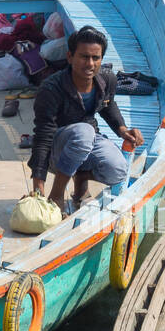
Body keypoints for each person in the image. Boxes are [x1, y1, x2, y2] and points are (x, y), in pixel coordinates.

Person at [27, 25, 142, 213]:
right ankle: (56, 194)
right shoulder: (51, 88)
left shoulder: (107, 79)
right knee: (84, 131)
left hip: (85, 142)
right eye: (84, 56)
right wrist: (37, 190)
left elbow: (107, 104)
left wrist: (122, 129)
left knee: (118, 170)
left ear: (101, 59)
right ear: (70, 57)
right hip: (57, 150)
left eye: (95, 58)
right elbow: (42, 136)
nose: (90, 64)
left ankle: (81, 178)